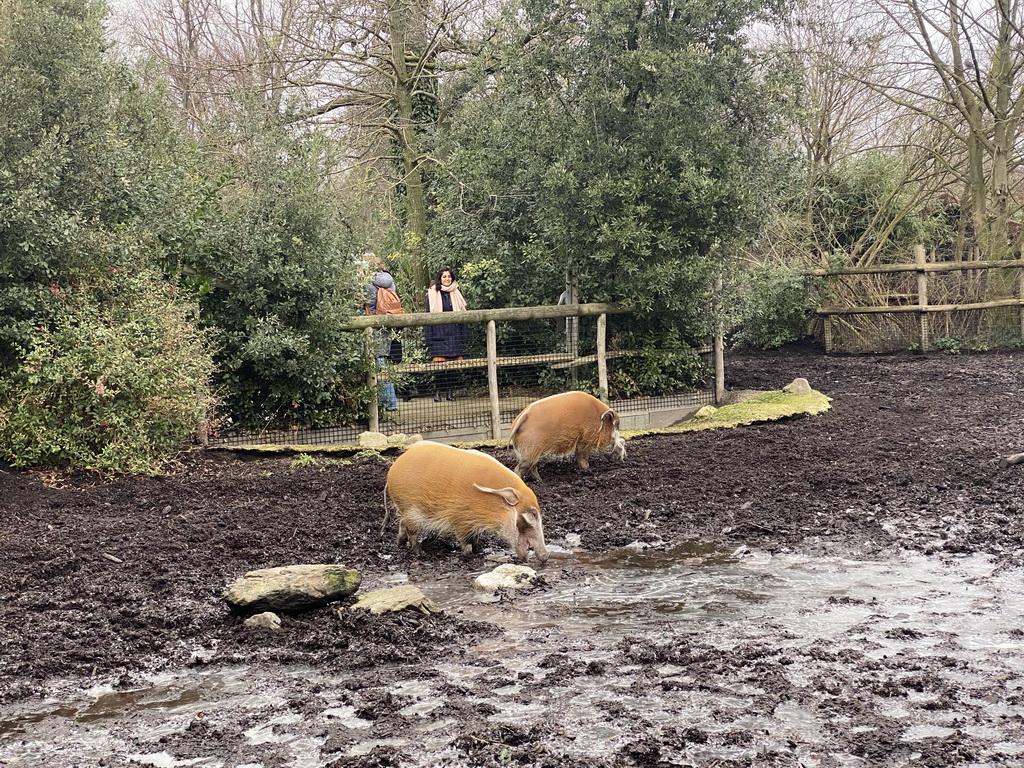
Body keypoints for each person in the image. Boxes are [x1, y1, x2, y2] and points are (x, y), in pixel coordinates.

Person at [424, 267, 468, 402]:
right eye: (444, 277)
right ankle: (437, 392)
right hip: (439, 334)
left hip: (454, 334)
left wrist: (463, 335)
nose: (447, 279)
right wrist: (429, 338)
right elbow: (427, 316)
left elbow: (463, 314)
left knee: (453, 367)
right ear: (440, 278)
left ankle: (450, 392)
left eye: (449, 276)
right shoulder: (432, 293)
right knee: (439, 367)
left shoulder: (457, 292)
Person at [365, 260, 402, 411]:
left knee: (376, 366)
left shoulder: (366, 284)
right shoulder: (389, 281)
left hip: (371, 327)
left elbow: (364, 303)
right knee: (383, 363)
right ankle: (390, 402)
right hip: (386, 327)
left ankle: (387, 404)